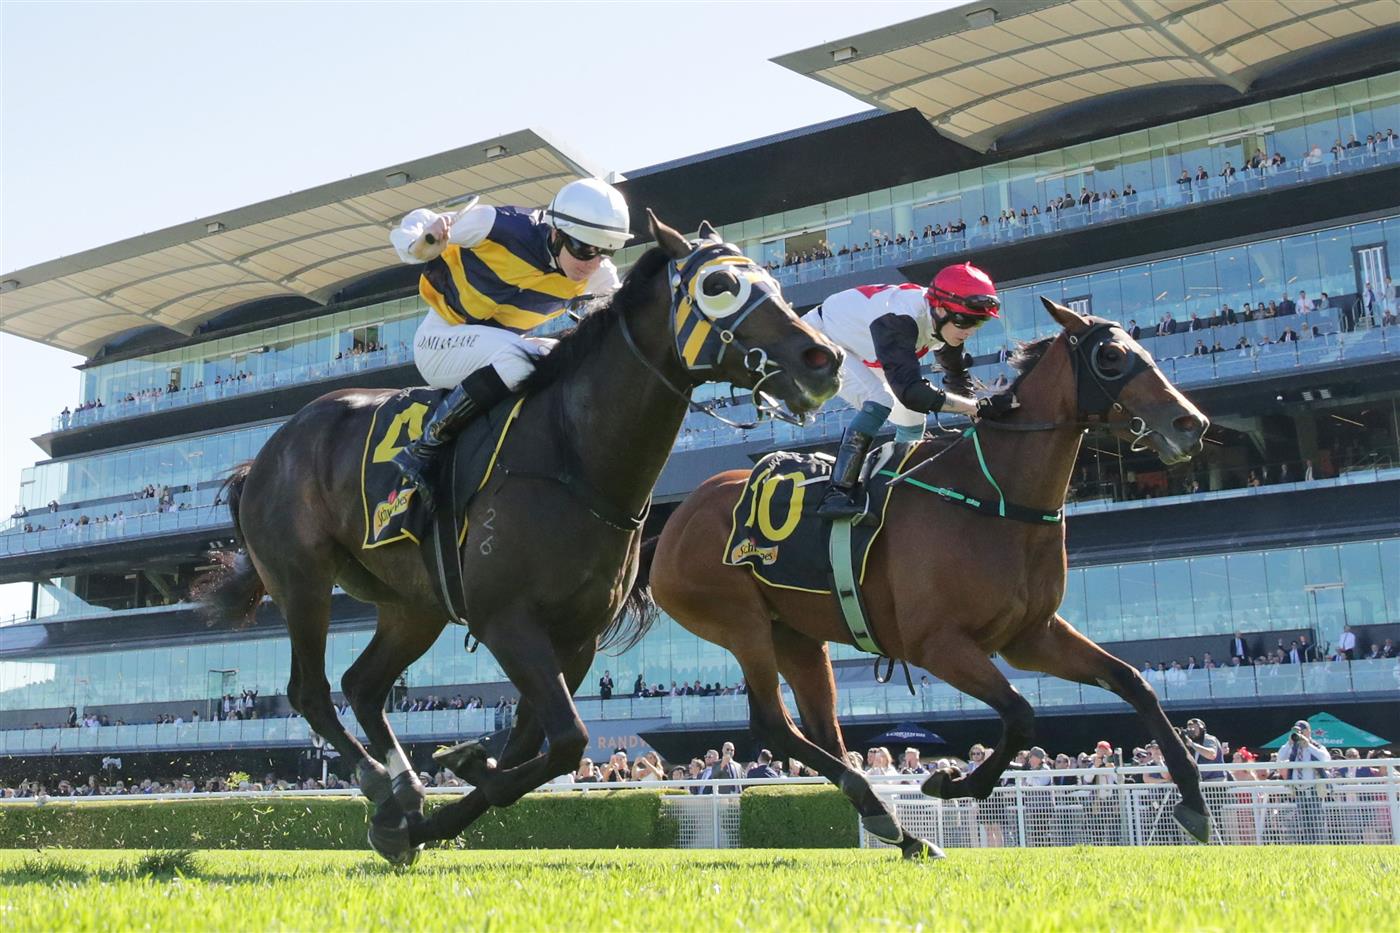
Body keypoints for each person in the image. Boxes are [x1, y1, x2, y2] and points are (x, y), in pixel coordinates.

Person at [386, 178, 632, 507]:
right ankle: (424, 448)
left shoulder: (598, 276)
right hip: (440, 340)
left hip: (495, 351)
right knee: (534, 354)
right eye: (584, 249)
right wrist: (420, 243)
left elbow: (624, 324)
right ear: (556, 233)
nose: (592, 262)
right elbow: (418, 223)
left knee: (557, 357)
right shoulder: (497, 225)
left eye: (605, 252)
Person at [804, 263, 1018, 520]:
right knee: (880, 399)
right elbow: (911, 393)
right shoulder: (899, 318)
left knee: (913, 419)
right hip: (820, 339)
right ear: (939, 309)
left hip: (866, 351)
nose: (970, 330)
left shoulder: (944, 322)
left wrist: (979, 412)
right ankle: (837, 494)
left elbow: (956, 377)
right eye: (965, 320)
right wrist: (975, 407)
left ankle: (898, 486)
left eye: (979, 322)